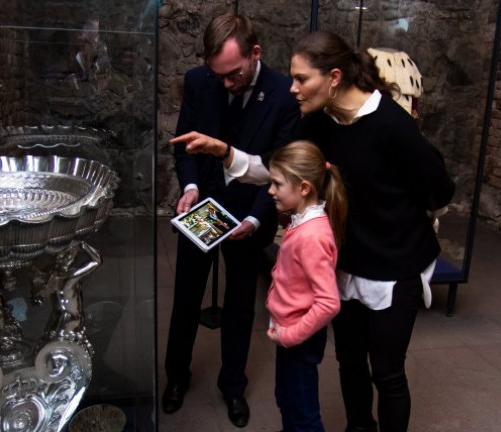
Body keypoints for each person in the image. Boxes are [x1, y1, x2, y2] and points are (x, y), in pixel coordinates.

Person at [182, 30, 455, 432]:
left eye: (301, 79)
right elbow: (280, 172)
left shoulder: (393, 125)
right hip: (346, 263)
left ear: (334, 78)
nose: (292, 88)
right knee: (349, 362)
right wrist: (225, 152)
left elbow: (440, 192)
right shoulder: (317, 122)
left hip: (395, 268)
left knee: (387, 373)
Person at [164, 12, 300, 428]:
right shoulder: (198, 81)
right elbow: (183, 149)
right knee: (186, 296)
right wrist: (188, 188)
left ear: (254, 53)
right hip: (202, 207)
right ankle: (175, 378)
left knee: (242, 308)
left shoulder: (282, 93)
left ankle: (233, 386)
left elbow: (279, 169)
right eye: (217, 74)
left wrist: (259, 222)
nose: (225, 83)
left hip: (249, 214)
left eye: (234, 74)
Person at [266, 141, 345, 432]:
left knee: (303, 415)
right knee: (287, 399)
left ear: (304, 188)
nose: (270, 190)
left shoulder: (311, 235)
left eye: (276, 184)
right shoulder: (300, 222)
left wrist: (290, 336)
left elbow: (328, 303)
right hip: (290, 330)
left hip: (298, 336)